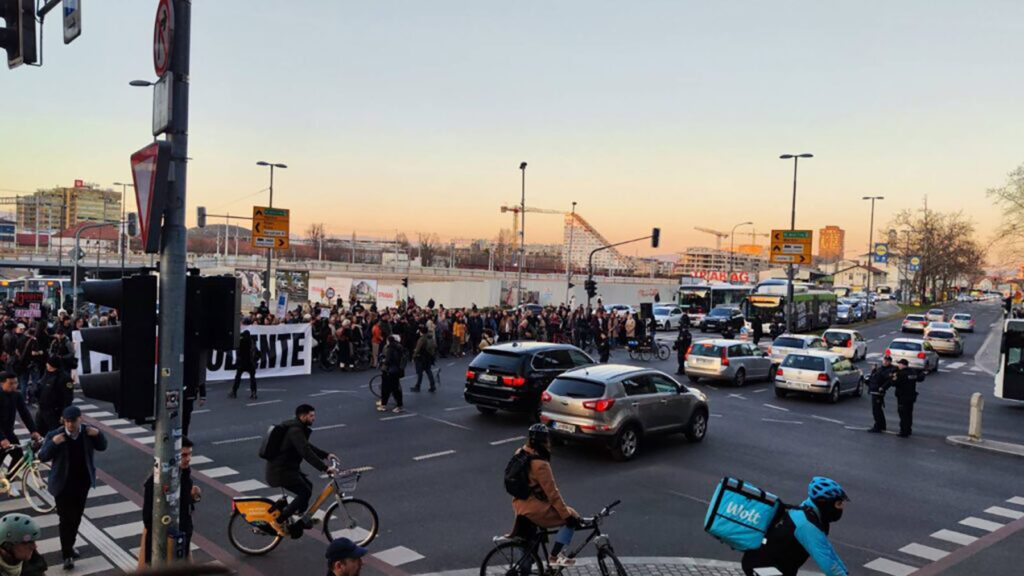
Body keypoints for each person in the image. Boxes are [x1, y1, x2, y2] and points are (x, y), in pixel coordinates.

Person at [38, 405, 107, 570]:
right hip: (62, 484)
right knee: (65, 519)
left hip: (82, 483)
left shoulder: (88, 432)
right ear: (63, 420)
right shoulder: (55, 435)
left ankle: (70, 545)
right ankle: (67, 554)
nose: (70, 425)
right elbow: (42, 456)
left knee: (76, 517)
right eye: (67, 421)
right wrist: (53, 444)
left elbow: (102, 446)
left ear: (80, 419)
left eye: (73, 421)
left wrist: (98, 435)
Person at [741, 477, 850, 576]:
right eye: (839, 504)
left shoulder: (809, 510)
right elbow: (829, 564)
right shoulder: (807, 526)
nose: (841, 508)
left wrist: (846, 572)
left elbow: (829, 551)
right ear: (825, 503)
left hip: (772, 565)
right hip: (764, 568)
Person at [511, 424, 582, 567]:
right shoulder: (540, 464)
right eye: (547, 440)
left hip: (520, 503)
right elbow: (553, 494)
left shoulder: (521, 452)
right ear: (543, 441)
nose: (549, 443)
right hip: (533, 508)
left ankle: (527, 564)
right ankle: (554, 557)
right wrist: (566, 516)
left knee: (529, 545)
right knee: (572, 517)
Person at [265, 404, 338, 537]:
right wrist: (325, 468)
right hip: (280, 471)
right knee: (304, 493)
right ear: (302, 416)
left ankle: (301, 517)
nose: (314, 418)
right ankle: (278, 521)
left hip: (287, 469)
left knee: (308, 486)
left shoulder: (297, 428)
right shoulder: (295, 431)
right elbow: (306, 452)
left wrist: (326, 454)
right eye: (311, 416)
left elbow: (306, 446)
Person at [141, 437, 200, 565]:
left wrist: (193, 497)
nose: (188, 458)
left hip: (181, 537)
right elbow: (147, 517)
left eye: (190, 454)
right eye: (184, 455)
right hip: (164, 542)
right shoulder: (156, 483)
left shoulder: (183, 474)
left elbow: (184, 503)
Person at [0, 371, 40, 478]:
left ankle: (7, 482)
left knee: (19, 458)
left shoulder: (16, 395)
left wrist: (33, 431)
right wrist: (2, 439)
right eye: (11, 383)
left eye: (16, 383)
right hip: (1, 436)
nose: (14, 386)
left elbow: (25, 414)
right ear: (1, 383)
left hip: (9, 433)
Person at [35, 356, 74, 436]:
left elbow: (68, 398)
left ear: (52, 365)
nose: (46, 364)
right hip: (42, 410)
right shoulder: (46, 374)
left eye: (48, 363)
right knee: (39, 433)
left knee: (56, 434)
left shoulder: (64, 377)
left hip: (55, 412)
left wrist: (64, 414)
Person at [867, 357, 896, 433]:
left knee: (876, 410)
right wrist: (873, 370)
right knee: (878, 409)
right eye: (884, 360)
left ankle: (878, 426)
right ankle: (882, 425)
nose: (885, 362)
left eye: (887, 361)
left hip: (878, 391)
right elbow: (874, 377)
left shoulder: (890, 370)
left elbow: (888, 381)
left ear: (890, 362)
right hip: (874, 390)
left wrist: (882, 388)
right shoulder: (881, 368)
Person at [378, 335, 405, 413]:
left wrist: (383, 361)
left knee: (385, 388)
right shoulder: (399, 347)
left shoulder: (390, 348)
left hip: (388, 371)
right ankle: (399, 405)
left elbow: (388, 360)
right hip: (396, 370)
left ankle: (384, 405)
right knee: (396, 388)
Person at [892, 359, 919, 437]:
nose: (898, 366)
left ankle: (904, 431)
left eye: (900, 364)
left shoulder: (901, 374)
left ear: (903, 365)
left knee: (903, 415)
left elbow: (894, 383)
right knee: (909, 414)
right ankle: (908, 429)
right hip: (911, 396)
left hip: (902, 397)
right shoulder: (912, 372)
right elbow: (920, 377)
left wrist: (894, 376)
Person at [230, 330, 258, 400]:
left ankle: (234, 392)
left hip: (241, 363)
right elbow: (256, 352)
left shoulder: (241, 342)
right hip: (250, 363)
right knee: (252, 378)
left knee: (238, 378)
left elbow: (237, 351)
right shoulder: (252, 342)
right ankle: (253, 393)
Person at [411, 325, 437, 393]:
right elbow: (435, 345)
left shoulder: (422, 339)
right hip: (428, 356)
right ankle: (432, 386)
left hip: (421, 357)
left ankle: (417, 386)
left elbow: (417, 349)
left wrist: (413, 356)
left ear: (421, 332)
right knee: (428, 371)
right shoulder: (430, 337)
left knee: (420, 373)